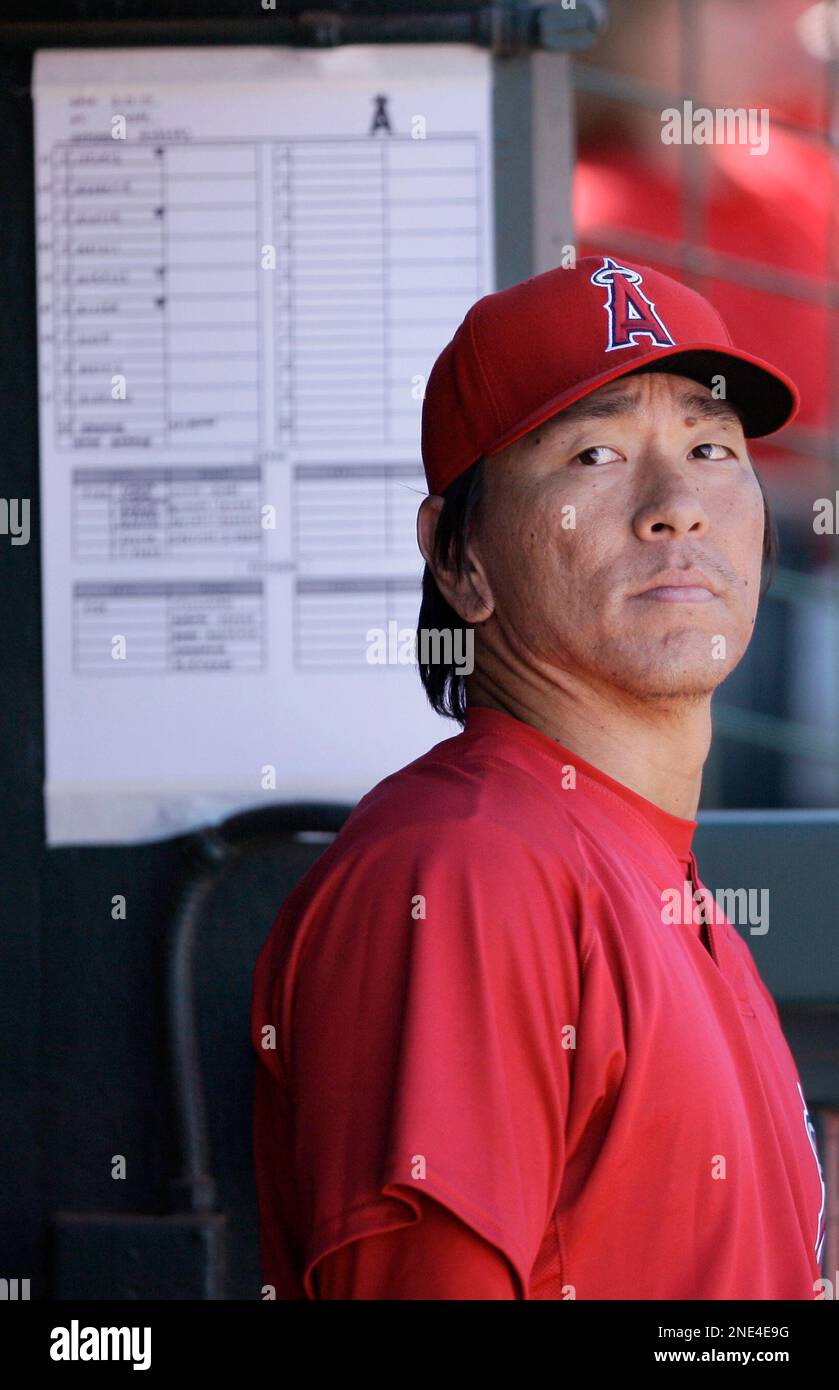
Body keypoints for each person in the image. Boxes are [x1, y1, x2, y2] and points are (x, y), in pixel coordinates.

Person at [250, 254, 827, 1299]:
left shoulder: (652, 874)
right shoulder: (465, 874)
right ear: (459, 559)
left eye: (708, 445)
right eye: (595, 453)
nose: (674, 507)